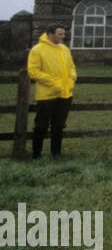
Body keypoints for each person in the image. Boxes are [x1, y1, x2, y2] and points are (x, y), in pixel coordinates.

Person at [27, 23, 76, 161]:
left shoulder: (65, 49)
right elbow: (33, 71)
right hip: (46, 96)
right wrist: (53, 83)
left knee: (59, 126)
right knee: (41, 126)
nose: (63, 36)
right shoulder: (37, 50)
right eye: (60, 34)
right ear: (50, 34)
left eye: (63, 34)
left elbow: (72, 67)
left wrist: (72, 80)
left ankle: (56, 153)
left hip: (65, 94)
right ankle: (36, 154)